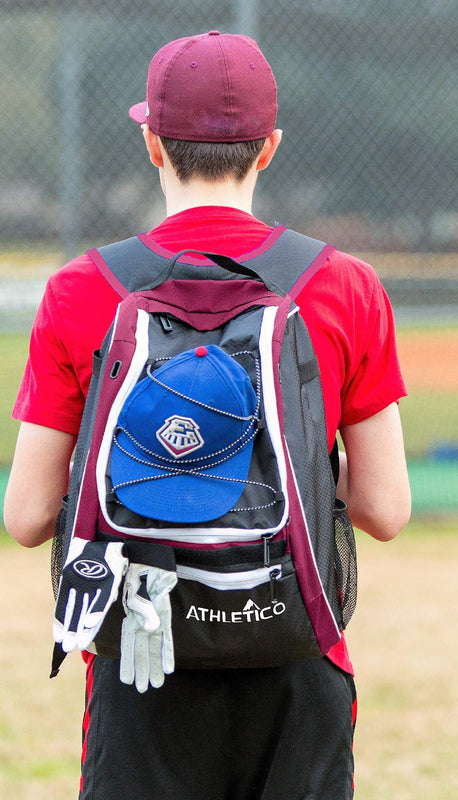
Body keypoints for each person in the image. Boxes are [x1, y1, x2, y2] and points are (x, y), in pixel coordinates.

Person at [3, 30, 411, 800]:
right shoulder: (345, 285)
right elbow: (384, 510)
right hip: (296, 652)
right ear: (270, 148)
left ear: (153, 144)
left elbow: (26, 516)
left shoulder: (79, 291)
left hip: (139, 659)